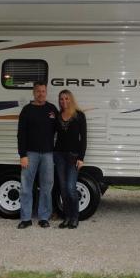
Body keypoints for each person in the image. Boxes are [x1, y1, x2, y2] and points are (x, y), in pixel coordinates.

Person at [17, 81, 57, 229]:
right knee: (26, 187)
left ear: (46, 92)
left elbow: (61, 128)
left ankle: (44, 217)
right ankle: (26, 218)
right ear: (34, 93)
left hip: (48, 154)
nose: (41, 94)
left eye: (43, 91)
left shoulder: (52, 109)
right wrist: (22, 155)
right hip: (30, 154)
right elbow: (21, 134)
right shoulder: (27, 110)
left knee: (47, 187)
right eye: (38, 91)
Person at [54, 89, 87, 229]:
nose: (64, 101)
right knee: (62, 188)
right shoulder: (57, 115)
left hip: (73, 157)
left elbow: (84, 138)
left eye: (66, 98)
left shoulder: (79, 116)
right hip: (59, 155)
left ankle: (75, 217)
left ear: (71, 99)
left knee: (70, 188)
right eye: (61, 99)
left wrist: (81, 157)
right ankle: (67, 217)